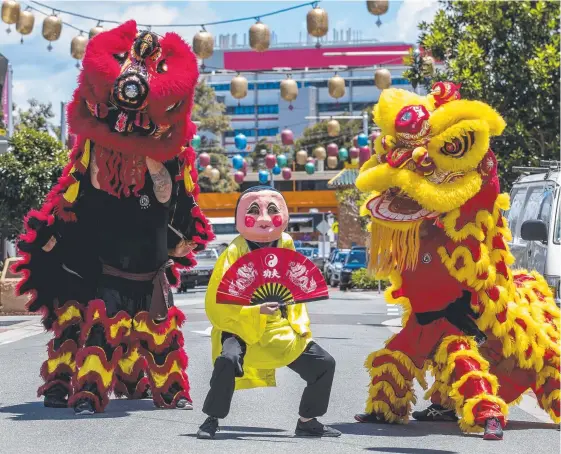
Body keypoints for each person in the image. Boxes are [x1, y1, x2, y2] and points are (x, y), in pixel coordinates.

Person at [14, 21, 214, 415]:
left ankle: (169, 390)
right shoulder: (92, 154)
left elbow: (178, 201)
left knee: (159, 329)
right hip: (100, 263)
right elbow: (76, 194)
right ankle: (78, 389)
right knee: (91, 325)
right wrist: (52, 235)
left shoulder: (173, 161)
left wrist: (164, 182)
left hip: (149, 260)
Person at [196, 186, 341, 439]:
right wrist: (255, 310)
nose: (264, 218)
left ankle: (308, 419)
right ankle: (212, 419)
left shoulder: (286, 242)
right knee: (227, 360)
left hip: (277, 329)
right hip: (240, 327)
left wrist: (293, 319)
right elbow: (217, 301)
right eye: (254, 211)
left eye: (272, 210)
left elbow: (294, 284)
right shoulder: (234, 251)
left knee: (324, 364)